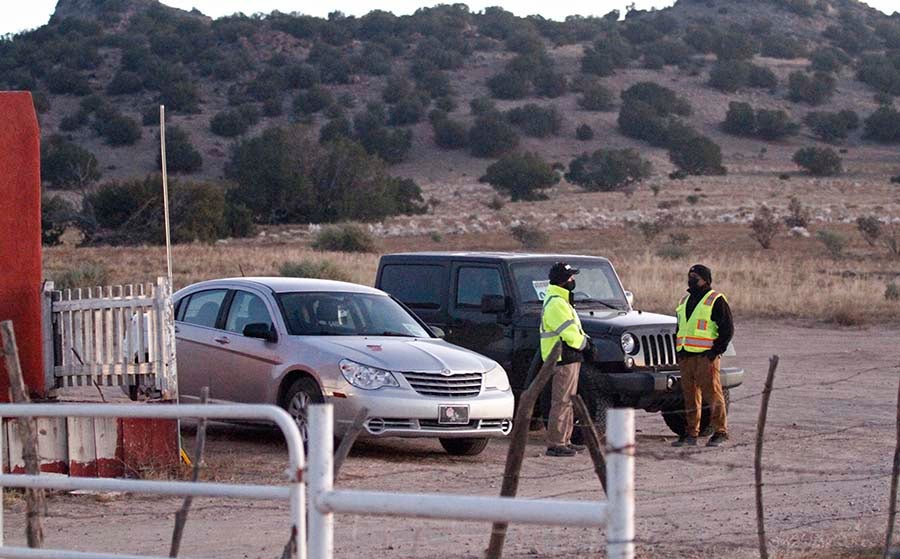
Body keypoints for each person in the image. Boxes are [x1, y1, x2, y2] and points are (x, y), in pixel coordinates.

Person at [672, 264, 734, 448]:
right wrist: (679, 352)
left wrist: (715, 352)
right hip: (686, 357)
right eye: (689, 275)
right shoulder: (684, 301)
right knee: (690, 397)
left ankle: (720, 431)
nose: (691, 279)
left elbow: (727, 329)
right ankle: (691, 433)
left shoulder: (716, 300)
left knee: (713, 394)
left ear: (705, 280)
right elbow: (680, 327)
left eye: (695, 276)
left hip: (705, 357)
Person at [541, 262, 594, 457]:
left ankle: (565, 440)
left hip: (569, 356)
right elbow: (569, 333)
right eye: (570, 277)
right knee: (561, 401)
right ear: (563, 280)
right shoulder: (556, 302)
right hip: (562, 357)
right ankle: (556, 443)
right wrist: (586, 345)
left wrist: (585, 343)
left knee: (568, 401)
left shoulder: (561, 300)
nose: (573, 280)